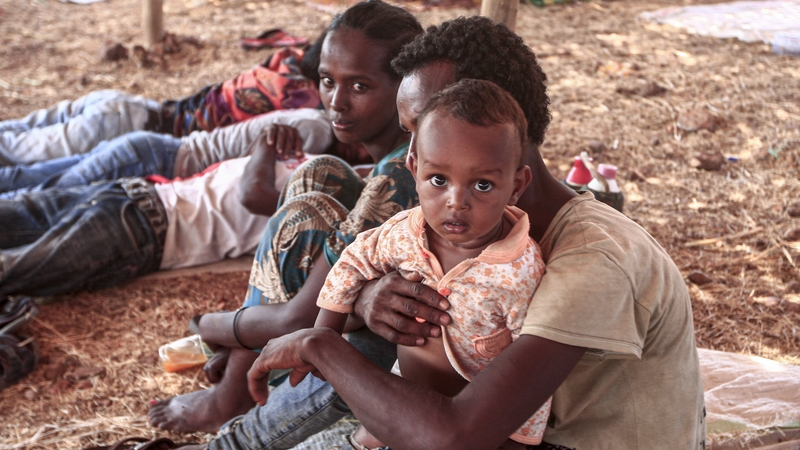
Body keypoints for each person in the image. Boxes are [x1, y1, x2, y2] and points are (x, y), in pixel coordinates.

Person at [243, 17, 706, 450]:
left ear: (498, 118)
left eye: (430, 126)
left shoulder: (592, 258)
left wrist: (317, 345)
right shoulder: (465, 228)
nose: (415, 157)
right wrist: (367, 298)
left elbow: (457, 438)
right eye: (410, 134)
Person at [147, 0, 423, 434]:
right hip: (344, 323)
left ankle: (231, 397)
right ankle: (241, 370)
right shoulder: (393, 159)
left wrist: (212, 325)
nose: (336, 102)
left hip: (380, 353)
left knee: (309, 208)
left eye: (360, 86)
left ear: (404, 88)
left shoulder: (401, 172)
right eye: (328, 81)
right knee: (322, 174)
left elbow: (296, 320)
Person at [315, 79, 550, 449]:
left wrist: (519, 442)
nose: (456, 201)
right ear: (414, 168)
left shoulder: (519, 273)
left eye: (483, 185)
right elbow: (353, 261)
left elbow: (534, 374)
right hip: (400, 400)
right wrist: (325, 334)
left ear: (517, 184)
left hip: (466, 427)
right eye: (438, 179)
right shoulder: (405, 233)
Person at [0, 108, 334, 297]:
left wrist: (263, 146)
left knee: (11, 270)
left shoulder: (339, 200)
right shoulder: (324, 160)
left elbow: (253, 194)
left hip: (143, 233)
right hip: (131, 192)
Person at [0, 46, 320, 166]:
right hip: (127, 126)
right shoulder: (299, 97)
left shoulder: (286, 58)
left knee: (12, 137)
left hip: (124, 107)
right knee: (14, 153)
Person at [0, 108, 334, 198]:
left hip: (149, 149)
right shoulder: (316, 133)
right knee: (46, 192)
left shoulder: (311, 119)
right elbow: (249, 182)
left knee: (31, 180)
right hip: (159, 158)